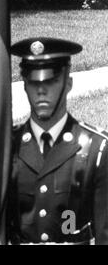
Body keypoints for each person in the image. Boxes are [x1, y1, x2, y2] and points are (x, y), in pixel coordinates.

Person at [7, 37, 108, 245]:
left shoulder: (97, 149)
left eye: (51, 80)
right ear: (24, 84)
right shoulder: (7, 147)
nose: (41, 90)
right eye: (34, 81)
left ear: (68, 83)